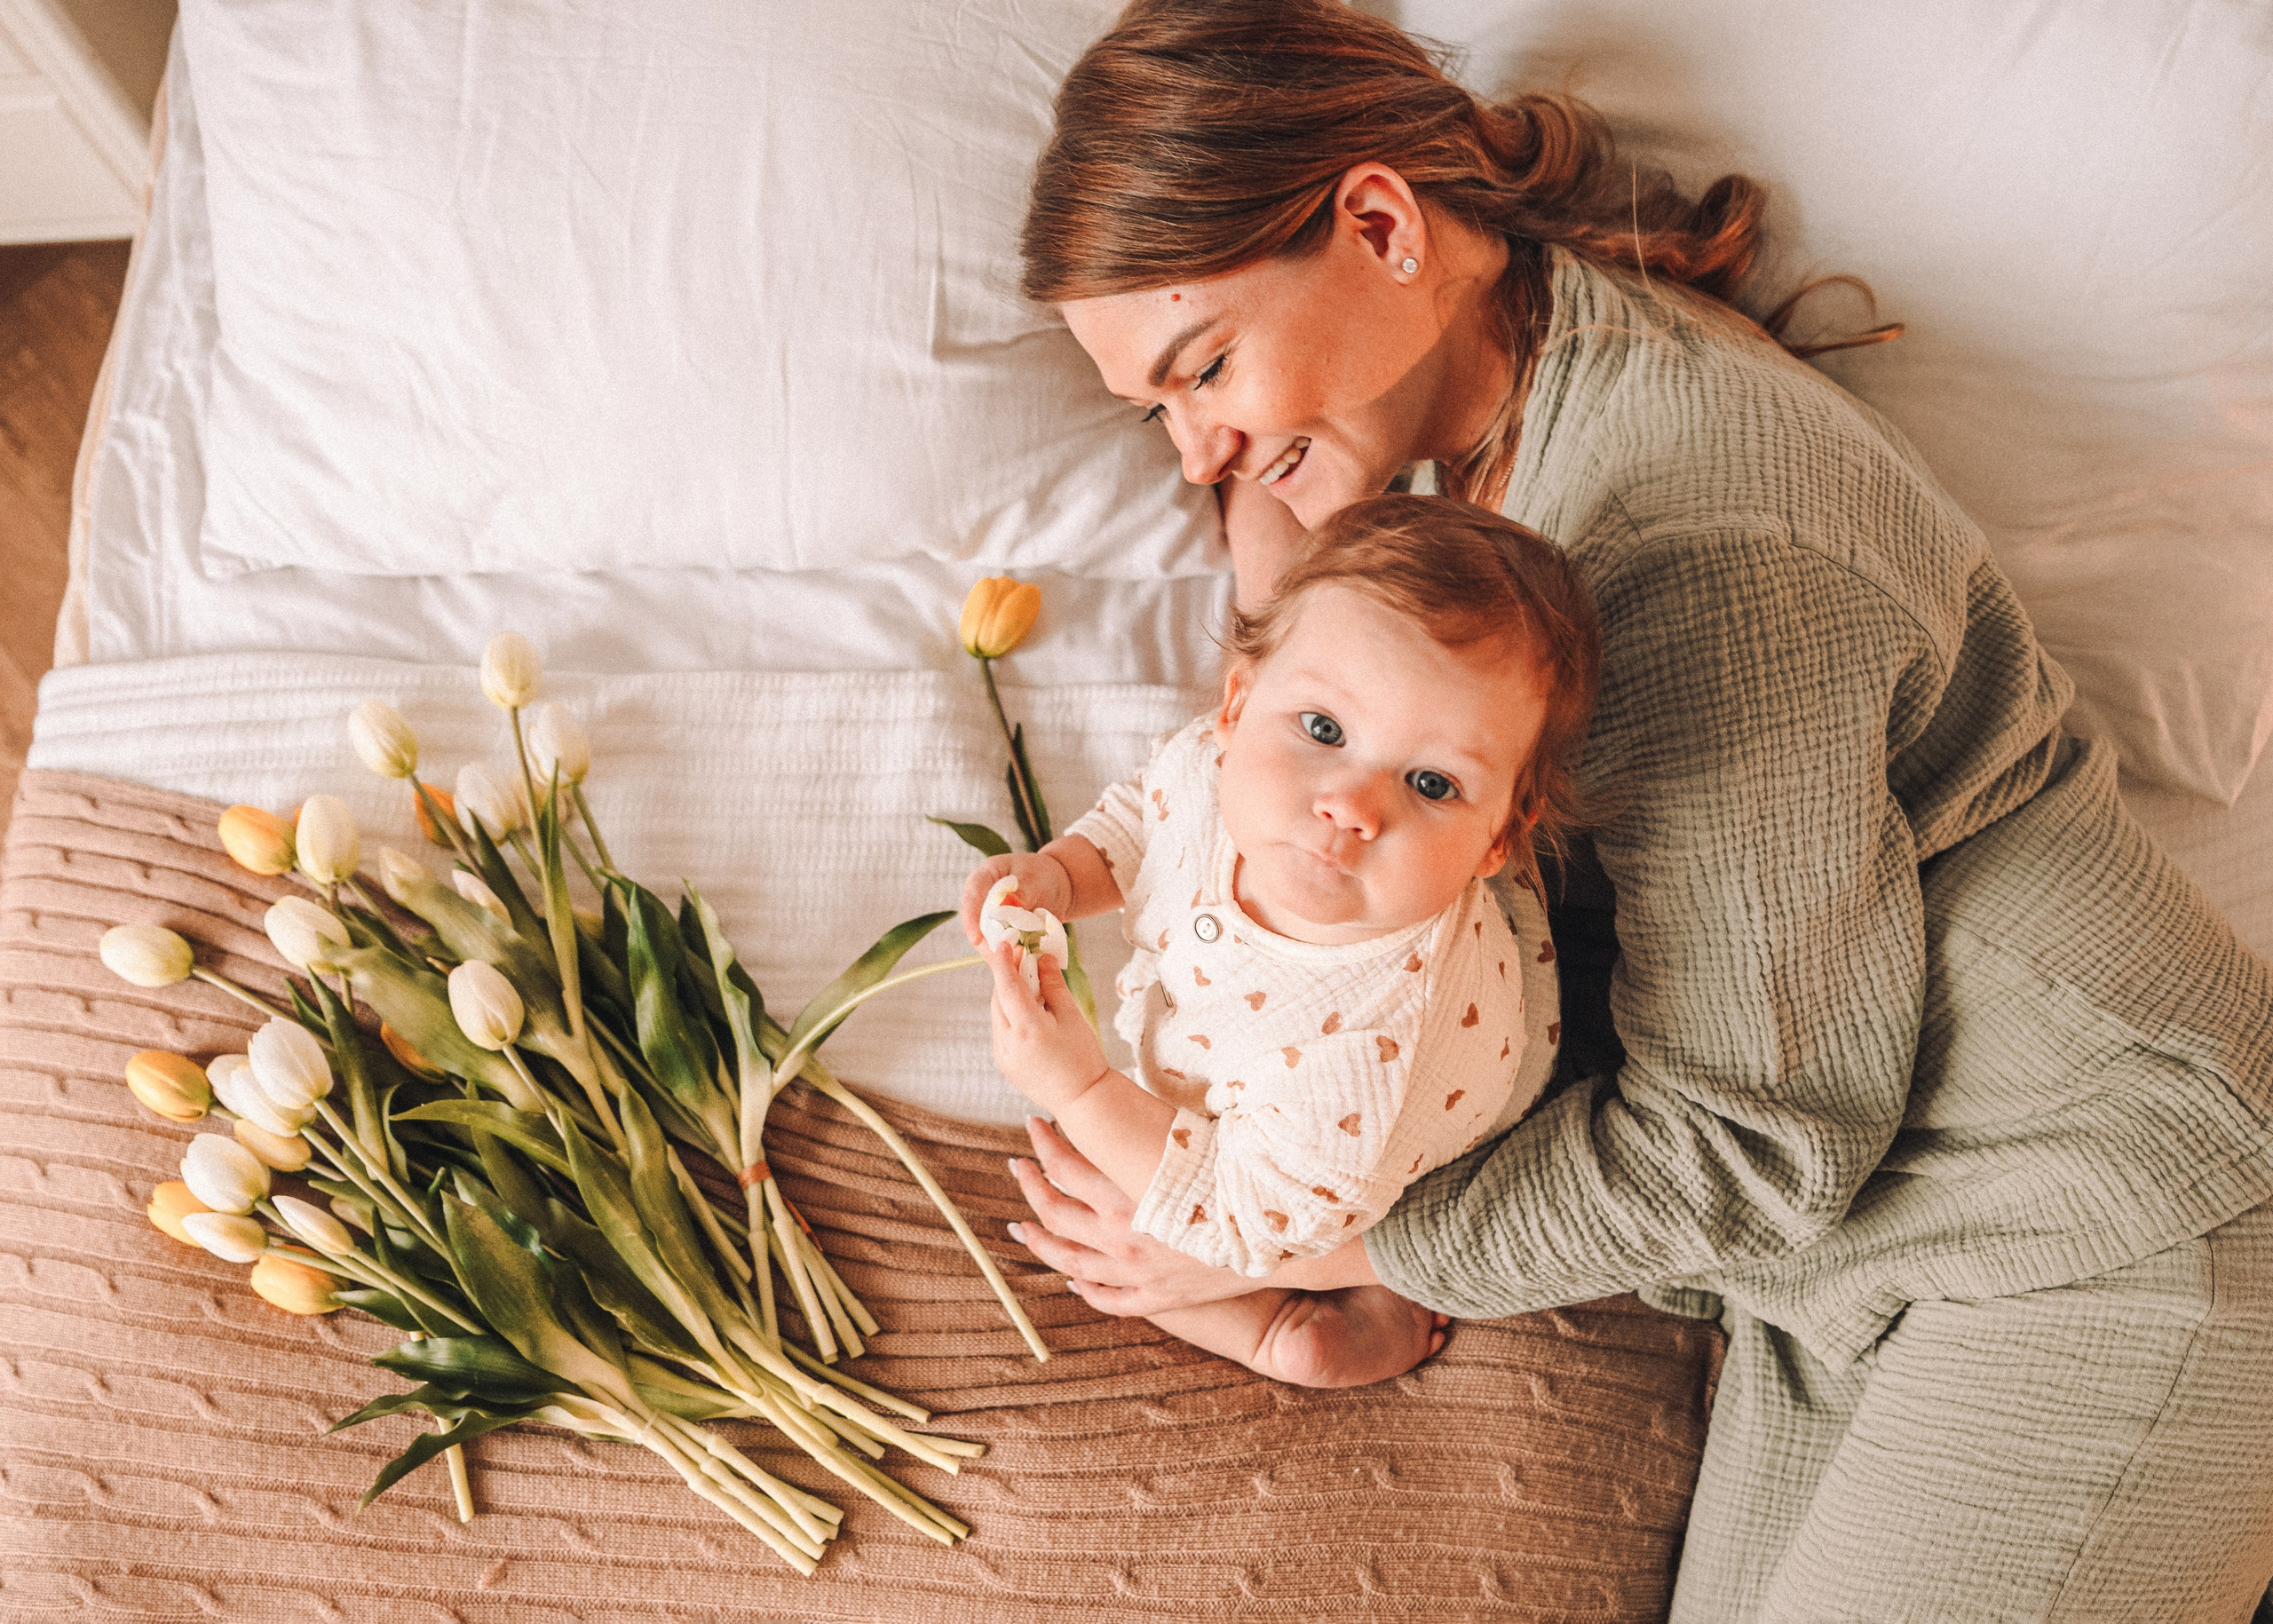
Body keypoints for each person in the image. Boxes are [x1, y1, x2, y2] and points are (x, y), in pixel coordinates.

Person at [997, 0, 2273, 1617]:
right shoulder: (1495, 430)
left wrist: (1300, 1245)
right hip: (1860, 1263)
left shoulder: (1691, 537)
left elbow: (1756, 1135)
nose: (1201, 447)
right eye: (1158, 412)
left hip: (2111, 1221)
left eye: (1208, 366)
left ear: (1381, 222)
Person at [960, 495, 1597, 1387]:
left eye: (1430, 781)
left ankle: (1297, 1333)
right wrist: (1064, 876)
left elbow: (1244, 1218)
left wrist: (1081, 1085)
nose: (1352, 804)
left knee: (1147, 1252)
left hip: (1341, 1159)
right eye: (1325, 730)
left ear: (1499, 839)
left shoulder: (1359, 1048)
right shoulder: (1219, 767)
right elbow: (1145, 817)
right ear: (1236, 703)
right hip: (1305, 1090)